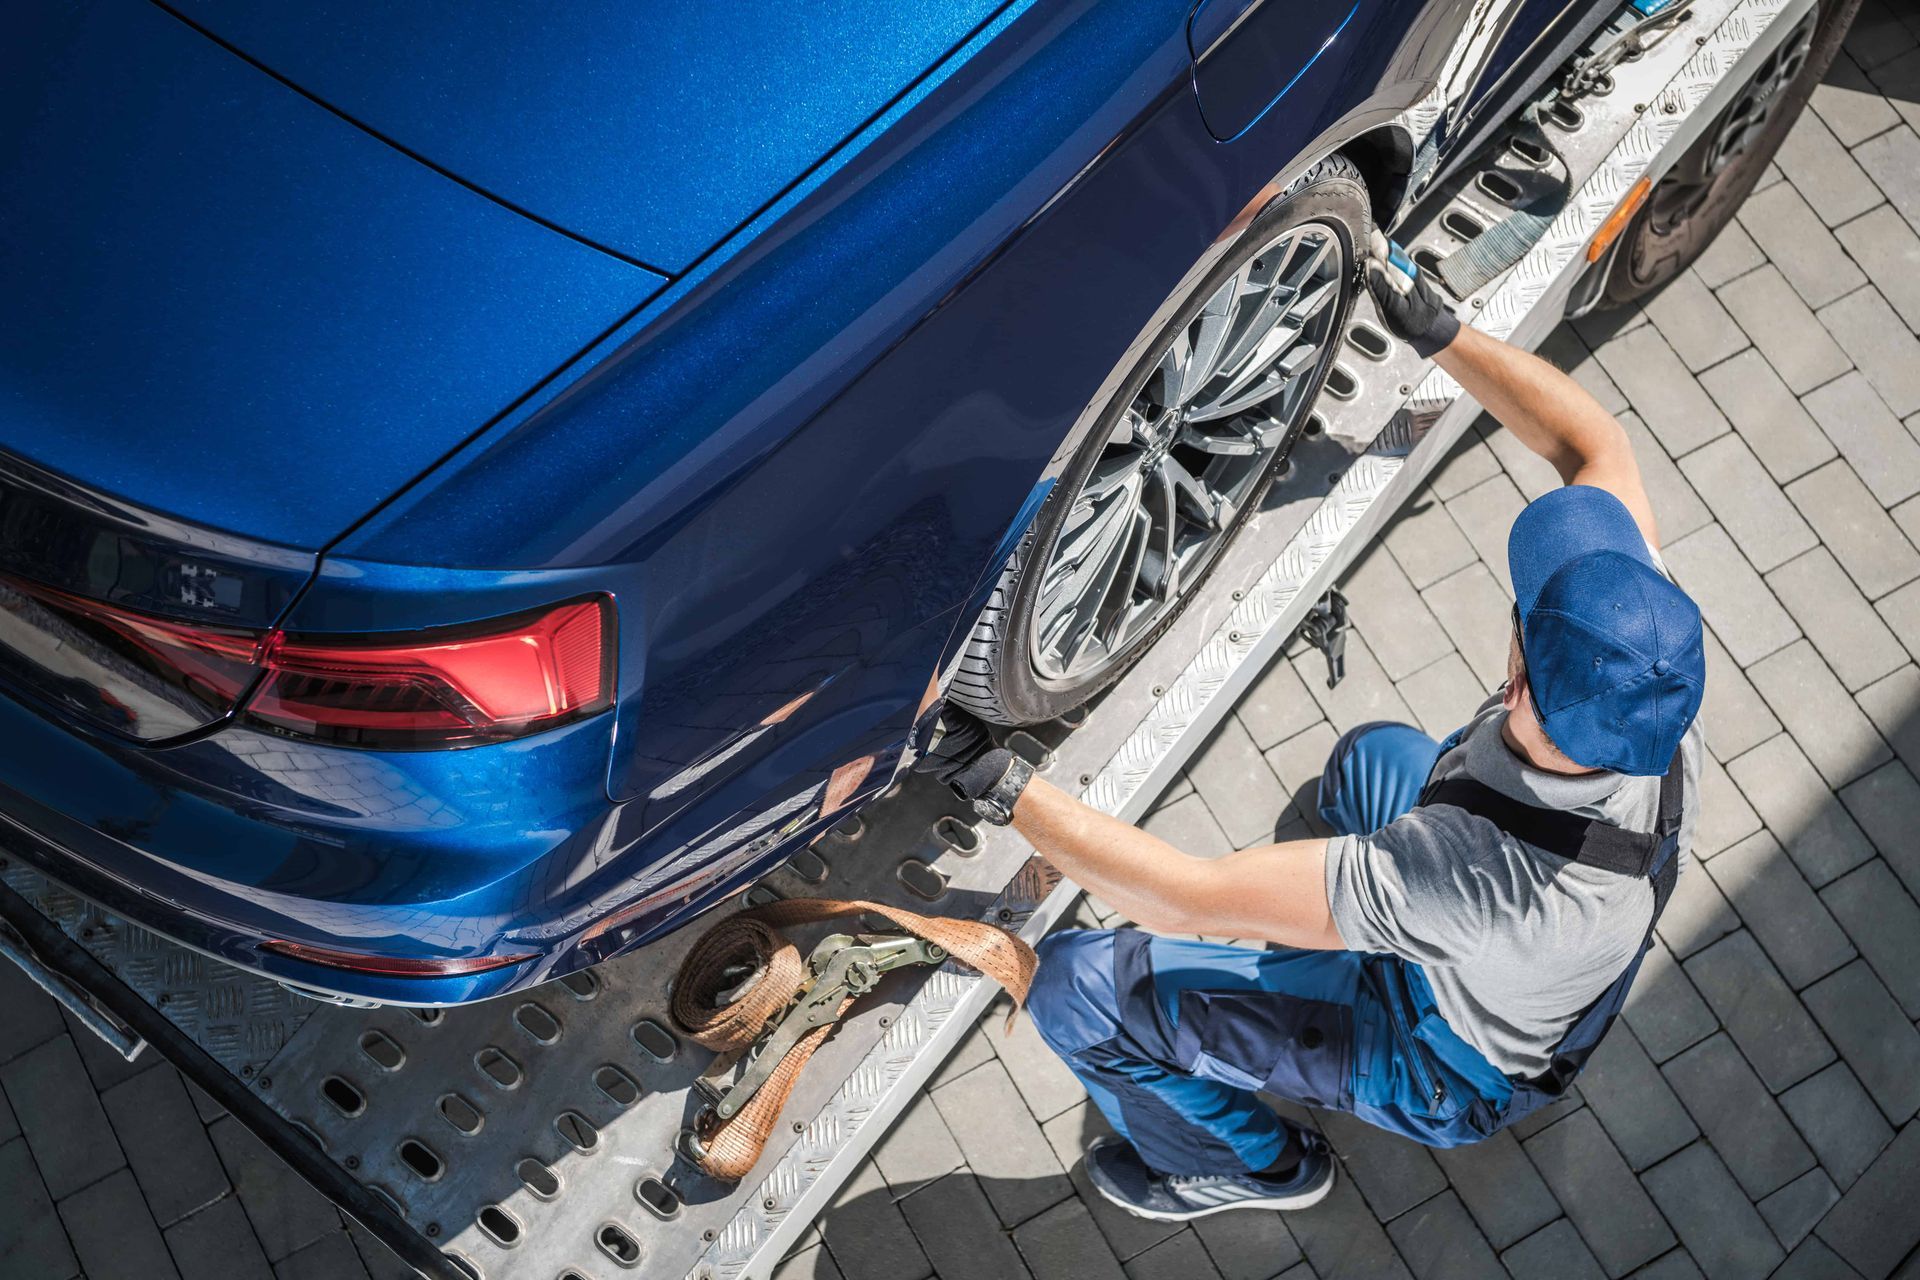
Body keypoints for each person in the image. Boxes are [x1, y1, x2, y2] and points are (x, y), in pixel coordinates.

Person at [915, 235, 1708, 1221]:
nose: (1532, 595)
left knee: (1076, 988)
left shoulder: (1465, 878)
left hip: (1438, 1057)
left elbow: (1185, 899)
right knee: (1370, 760)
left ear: (1519, 686)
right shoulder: (1648, 661)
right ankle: (1316, 955)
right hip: (1525, 952)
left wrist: (986, 773)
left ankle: (1252, 1164)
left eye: (1526, 611)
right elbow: (1596, 449)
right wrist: (1444, 333)